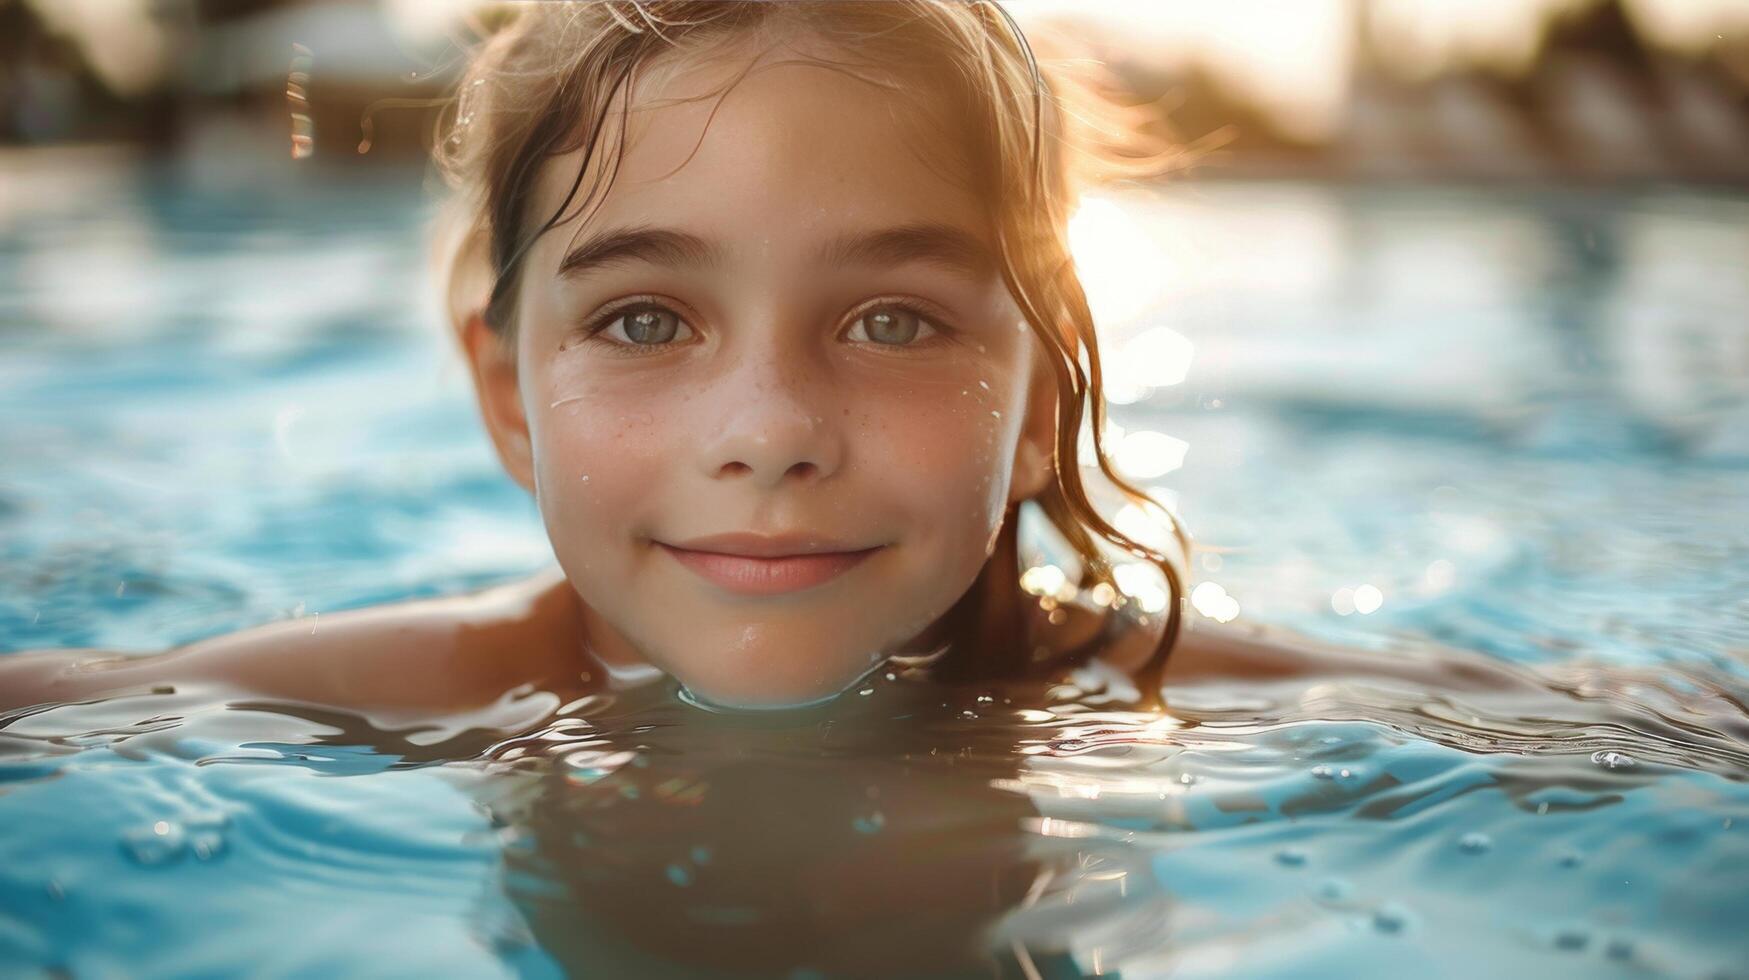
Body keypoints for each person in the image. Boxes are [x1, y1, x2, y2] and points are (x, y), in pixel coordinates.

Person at [0, 0, 1547, 721]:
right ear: (506, 401)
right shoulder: (421, 692)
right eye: (644, 320)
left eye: (893, 320)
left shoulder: (1141, 687)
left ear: (1038, 408)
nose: (769, 431)